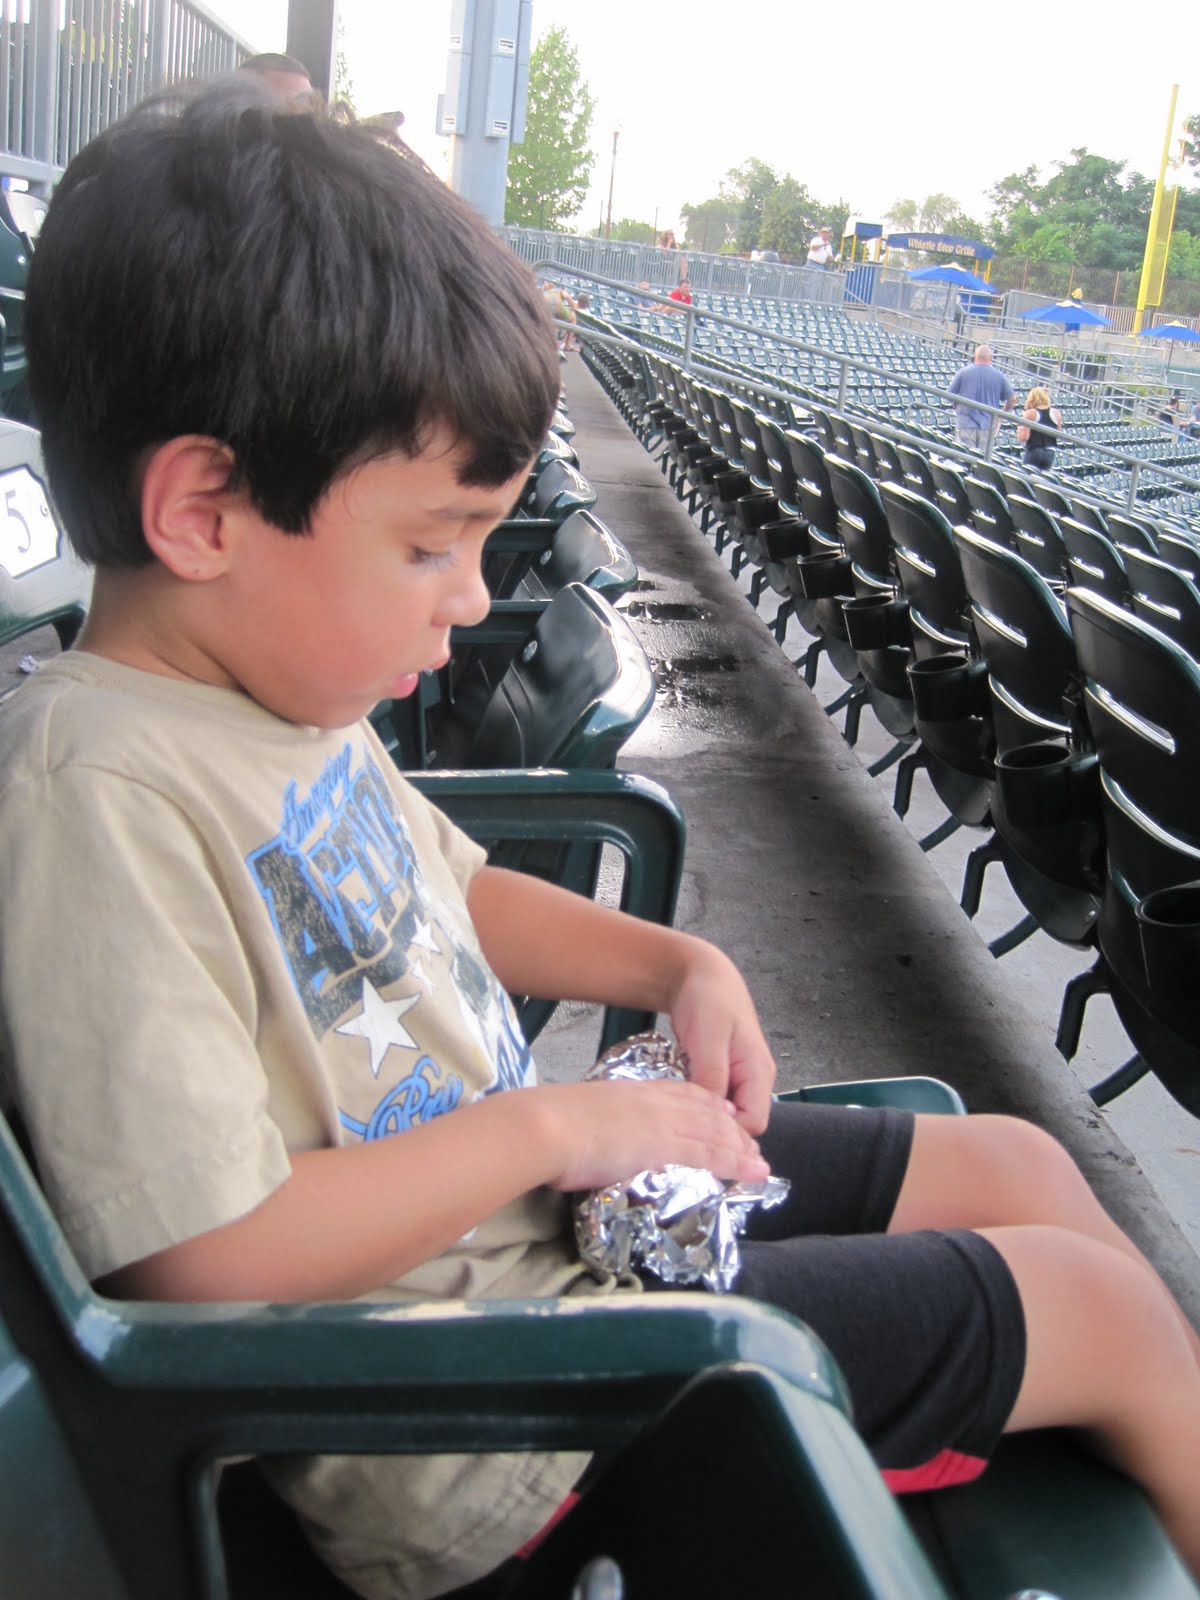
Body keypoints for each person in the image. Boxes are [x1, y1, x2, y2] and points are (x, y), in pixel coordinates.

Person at [5, 76, 1200, 1600]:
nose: (465, 596)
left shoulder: (267, 692)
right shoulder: (92, 794)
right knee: (1108, 1316)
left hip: (548, 1244)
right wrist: (557, 1131)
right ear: (204, 512)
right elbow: (196, 1258)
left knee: (1018, 1160)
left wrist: (678, 962)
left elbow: (455, 889)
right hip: (490, 1429)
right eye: (429, 545)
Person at [947, 344, 1016, 454]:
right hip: (987, 426)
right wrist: (1000, 416)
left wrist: (957, 406)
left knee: (965, 458)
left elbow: (949, 394)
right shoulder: (999, 376)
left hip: (966, 423)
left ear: (975, 357)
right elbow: (1012, 399)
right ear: (991, 358)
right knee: (982, 461)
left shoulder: (963, 372)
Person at [1016, 386, 1063, 472]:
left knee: (1028, 476)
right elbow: (1058, 433)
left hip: (1034, 449)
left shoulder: (1030, 413)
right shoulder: (1056, 413)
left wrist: (1019, 433)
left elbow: (1024, 437)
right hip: (1050, 451)